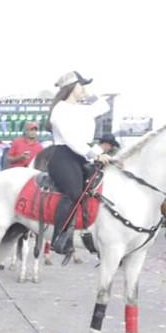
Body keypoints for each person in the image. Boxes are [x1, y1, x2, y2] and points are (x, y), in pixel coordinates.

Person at [46, 71, 111, 255]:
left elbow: (103, 105)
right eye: (81, 85)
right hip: (64, 156)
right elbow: (71, 139)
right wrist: (95, 153)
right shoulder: (59, 109)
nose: (85, 89)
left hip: (82, 156)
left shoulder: (82, 109)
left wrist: (90, 92)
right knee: (73, 193)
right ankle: (59, 238)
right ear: (71, 87)